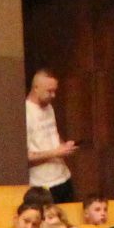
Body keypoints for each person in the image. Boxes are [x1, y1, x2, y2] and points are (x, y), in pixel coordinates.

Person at [24, 68, 78, 202]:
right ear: (36, 88)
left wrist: (64, 146)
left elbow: (53, 134)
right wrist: (55, 153)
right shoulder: (26, 113)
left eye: (55, 91)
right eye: (49, 91)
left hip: (63, 176)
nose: (53, 95)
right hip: (43, 182)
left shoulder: (49, 107)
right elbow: (25, 156)